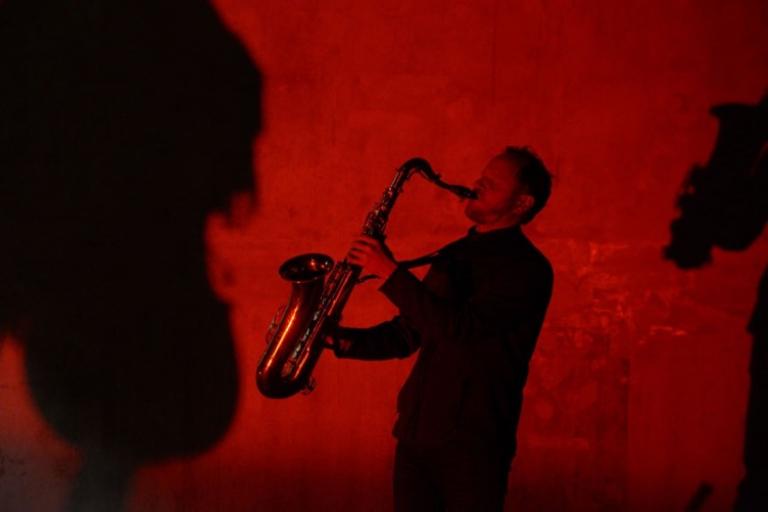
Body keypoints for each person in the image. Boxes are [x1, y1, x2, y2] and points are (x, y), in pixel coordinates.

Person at [327, 146, 554, 511]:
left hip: (473, 446)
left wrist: (389, 273)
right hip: (418, 436)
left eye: (492, 184)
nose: (477, 184)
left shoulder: (528, 269)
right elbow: (409, 333)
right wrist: (340, 340)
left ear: (522, 203)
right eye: (482, 177)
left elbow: (460, 330)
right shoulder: (457, 254)